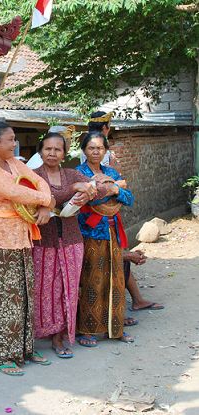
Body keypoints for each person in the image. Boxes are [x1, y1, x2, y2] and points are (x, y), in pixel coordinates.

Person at [0, 121, 55, 376]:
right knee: (1, 297)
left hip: (20, 235)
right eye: (9, 139)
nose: (14, 143)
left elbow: (39, 182)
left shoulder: (14, 163)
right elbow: (14, 191)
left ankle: (23, 349)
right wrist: (47, 201)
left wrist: (45, 204)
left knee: (24, 294)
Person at [32, 133, 98, 358]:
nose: (52, 153)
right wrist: (74, 189)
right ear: (40, 151)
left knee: (67, 289)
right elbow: (48, 196)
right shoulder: (33, 177)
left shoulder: (72, 174)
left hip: (71, 240)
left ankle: (59, 336)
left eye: (57, 149)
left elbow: (95, 190)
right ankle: (44, 330)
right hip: (42, 241)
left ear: (64, 153)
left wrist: (87, 189)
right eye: (48, 149)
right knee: (45, 289)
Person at [76, 131, 135, 347]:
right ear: (84, 150)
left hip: (114, 232)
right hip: (90, 233)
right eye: (91, 148)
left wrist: (114, 188)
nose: (96, 152)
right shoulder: (79, 173)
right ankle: (88, 330)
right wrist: (111, 187)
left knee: (117, 280)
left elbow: (129, 198)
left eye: (100, 148)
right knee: (93, 281)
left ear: (105, 150)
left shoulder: (110, 171)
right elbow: (87, 198)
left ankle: (116, 329)